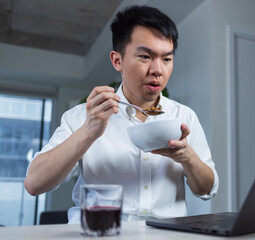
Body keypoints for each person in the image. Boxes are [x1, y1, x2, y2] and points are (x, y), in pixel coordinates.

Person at [24, 5, 218, 223]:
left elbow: (206, 190)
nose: (158, 70)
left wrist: (187, 157)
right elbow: (34, 184)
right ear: (117, 60)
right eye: (145, 56)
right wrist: (89, 130)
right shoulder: (83, 115)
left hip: (166, 234)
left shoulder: (185, 116)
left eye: (166, 59)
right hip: (98, 233)